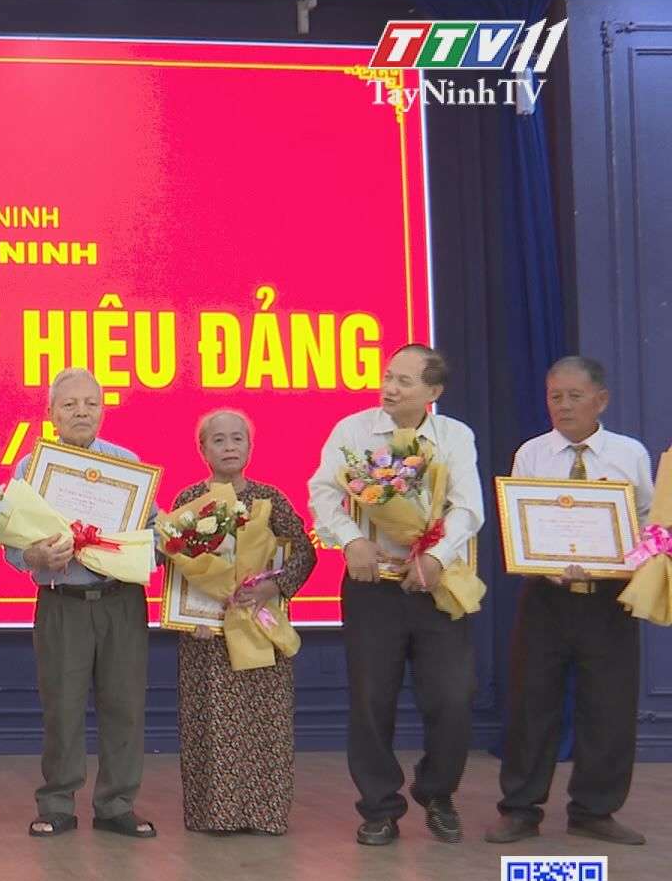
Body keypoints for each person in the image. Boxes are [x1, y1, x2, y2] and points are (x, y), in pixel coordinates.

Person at [307, 344, 484, 846]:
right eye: (388, 376)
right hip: (373, 587)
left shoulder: (455, 436)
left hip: (436, 586)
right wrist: (352, 540)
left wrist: (436, 556)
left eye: (404, 381)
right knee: (371, 700)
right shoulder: (353, 431)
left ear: (433, 391)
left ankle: (438, 791)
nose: (389, 388)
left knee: (453, 695)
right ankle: (380, 808)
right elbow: (322, 492)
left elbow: (468, 508)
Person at [488, 356, 655, 846]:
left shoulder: (629, 454)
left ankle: (594, 810)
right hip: (546, 597)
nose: (563, 406)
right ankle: (520, 809)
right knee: (531, 702)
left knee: (609, 706)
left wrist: (624, 560)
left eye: (574, 396)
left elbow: (650, 522)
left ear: (601, 400)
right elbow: (519, 522)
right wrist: (546, 563)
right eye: (554, 396)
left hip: (610, 599)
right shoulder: (532, 453)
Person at [11, 368, 159, 840]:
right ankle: (57, 804)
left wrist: (143, 549)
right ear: (51, 414)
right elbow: (10, 544)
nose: (81, 412)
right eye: (69, 404)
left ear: (102, 410)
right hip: (62, 602)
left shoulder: (126, 465)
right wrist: (34, 556)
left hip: (121, 601)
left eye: (90, 403)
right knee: (62, 708)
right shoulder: (32, 469)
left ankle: (117, 804)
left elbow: (153, 534)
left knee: (125, 706)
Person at [167, 409, 316, 835]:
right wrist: (188, 617)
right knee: (210, 726)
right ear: (202, 449)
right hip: (206, 639)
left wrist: (274, 586)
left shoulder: (271, 499)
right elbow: (178, 565)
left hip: (259, 628)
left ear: (250, 446)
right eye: (219, 440)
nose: (229, 447)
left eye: (238, 439)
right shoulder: (189, 501)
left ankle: (266, 814)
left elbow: (304, 553)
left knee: (265, 725)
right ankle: (213, 816)